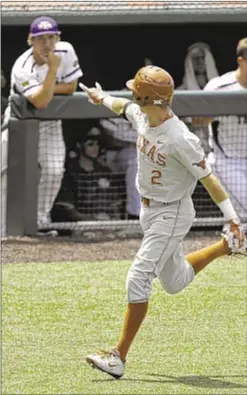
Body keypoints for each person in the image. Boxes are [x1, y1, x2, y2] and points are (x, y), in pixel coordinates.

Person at [80, 65, 246, 379]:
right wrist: (100, 97)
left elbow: (209, 179)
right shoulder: (144, 115)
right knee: (174, 281)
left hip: (171, 213)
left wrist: (233, 218)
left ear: (150, 97)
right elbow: (123, 107)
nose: (133, 95)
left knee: (137, 277)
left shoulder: (179, 136)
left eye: (137, 92)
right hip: (151, 211)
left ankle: (118, 356)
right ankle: (226, 248)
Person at [3, 16, 83, 233]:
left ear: (58, 38)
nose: (47, 44)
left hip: (49, 124)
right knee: (6, 174)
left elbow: (71, 87)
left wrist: (47, 85)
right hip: (19, 123)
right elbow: (40, 101)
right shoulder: (22, 67)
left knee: (54, 171)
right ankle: (4, 228)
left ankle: (38, 222)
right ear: (31, 40)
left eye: (51, 38)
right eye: (41, 39)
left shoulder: (65, 50)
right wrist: (52, 74)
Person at [204, 37, 247, 230]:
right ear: (241, 60)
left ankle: (231, 245)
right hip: (226, 160)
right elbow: (195, 119)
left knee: (237, 218)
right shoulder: (219, 86)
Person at [52, 123, 126, 222]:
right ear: (79, 145)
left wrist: (115, 222)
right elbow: (67, 209)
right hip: (79, 226)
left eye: (97, 144)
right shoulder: (69, 173)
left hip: (107, 223)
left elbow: (115, 205)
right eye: (90, 144)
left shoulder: (105, 172)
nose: (95, 148)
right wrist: (92, 220)